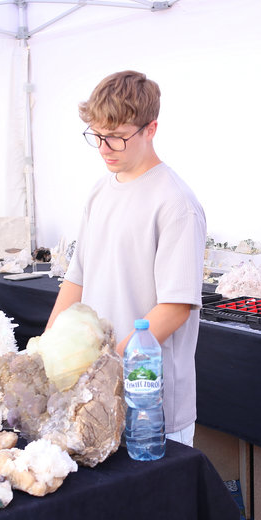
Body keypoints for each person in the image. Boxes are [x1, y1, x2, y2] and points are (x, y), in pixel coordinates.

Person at [47, 70, 207, 446]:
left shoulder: (176, 203)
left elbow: (175, 309)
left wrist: (107, 369)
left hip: (150, 404)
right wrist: (46, 349)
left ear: (151, 129)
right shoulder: (99, 192)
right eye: (97, 135)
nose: (105, 148)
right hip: (95, 396)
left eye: (117, 137)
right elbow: (76, 279)